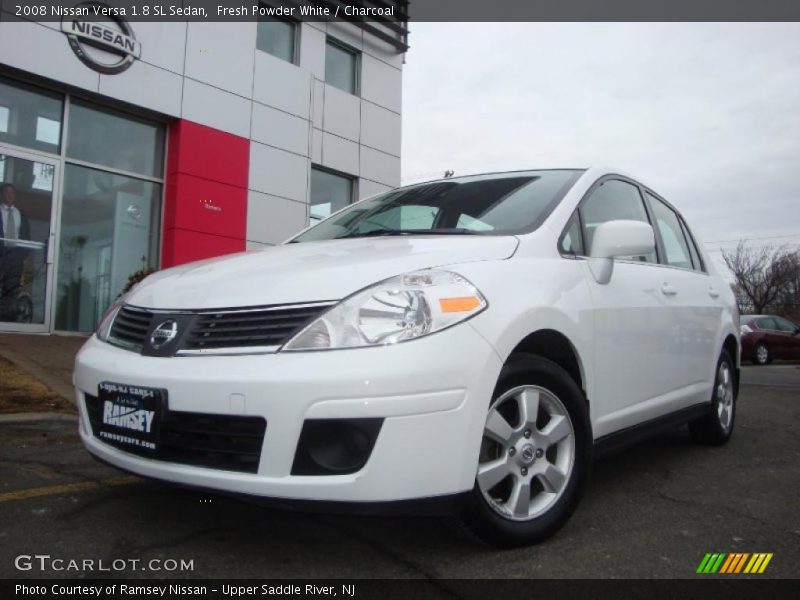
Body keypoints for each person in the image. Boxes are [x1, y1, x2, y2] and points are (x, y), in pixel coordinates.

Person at [0, 183, 31, 310]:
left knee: (11, 289)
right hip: (1, 253)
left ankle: (6, 315)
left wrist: (23, 256)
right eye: (7, 192)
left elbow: (26, 237)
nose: (9, 195)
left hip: (15, 257)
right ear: (2, 194)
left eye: (12, 193)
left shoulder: (21, 214)